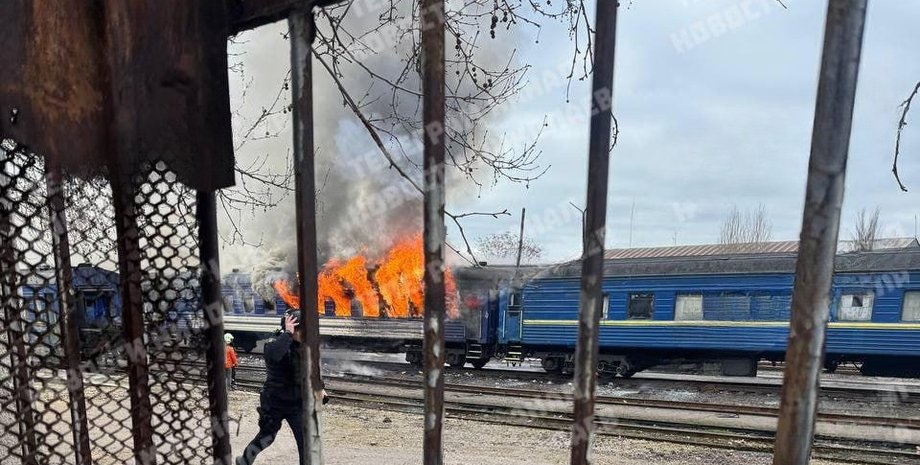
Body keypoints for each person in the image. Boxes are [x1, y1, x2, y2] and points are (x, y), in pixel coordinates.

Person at [236, 311, 328, 465]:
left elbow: (310, 370)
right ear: (293, 329)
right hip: (274, 402)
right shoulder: (275, 343)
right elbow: (273, 356)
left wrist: (321, 388)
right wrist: (287, 334)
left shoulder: (305, 347)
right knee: (267, 437)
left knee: (305, 442)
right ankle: (244, 461)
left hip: (297, 403)